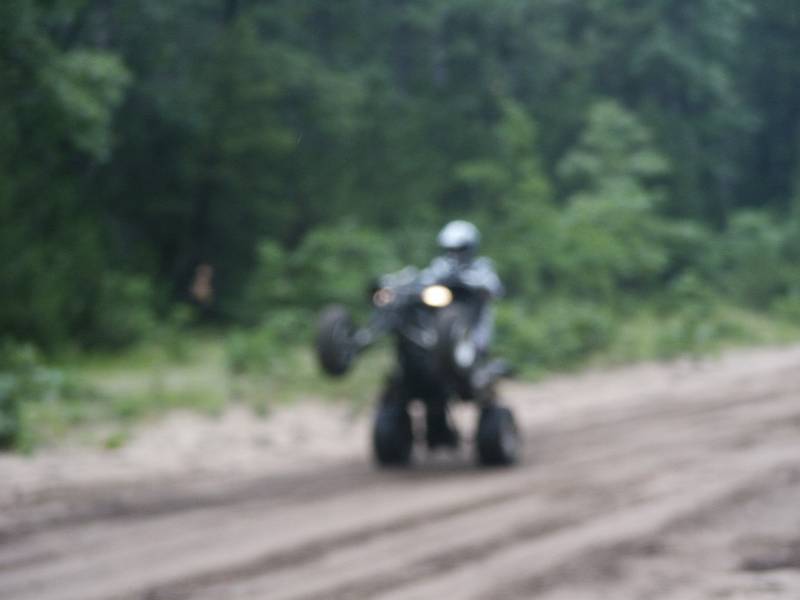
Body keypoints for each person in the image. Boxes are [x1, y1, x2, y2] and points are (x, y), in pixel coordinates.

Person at [423, 220, 504, 360]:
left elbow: (495, 289)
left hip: (473, 320)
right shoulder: (440, 267)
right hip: (441, 318)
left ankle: (480, 351)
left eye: (460, 249)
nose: (454, 254)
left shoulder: (481, 267)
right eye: (450, 249)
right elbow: (424, 280)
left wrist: (476, 286)